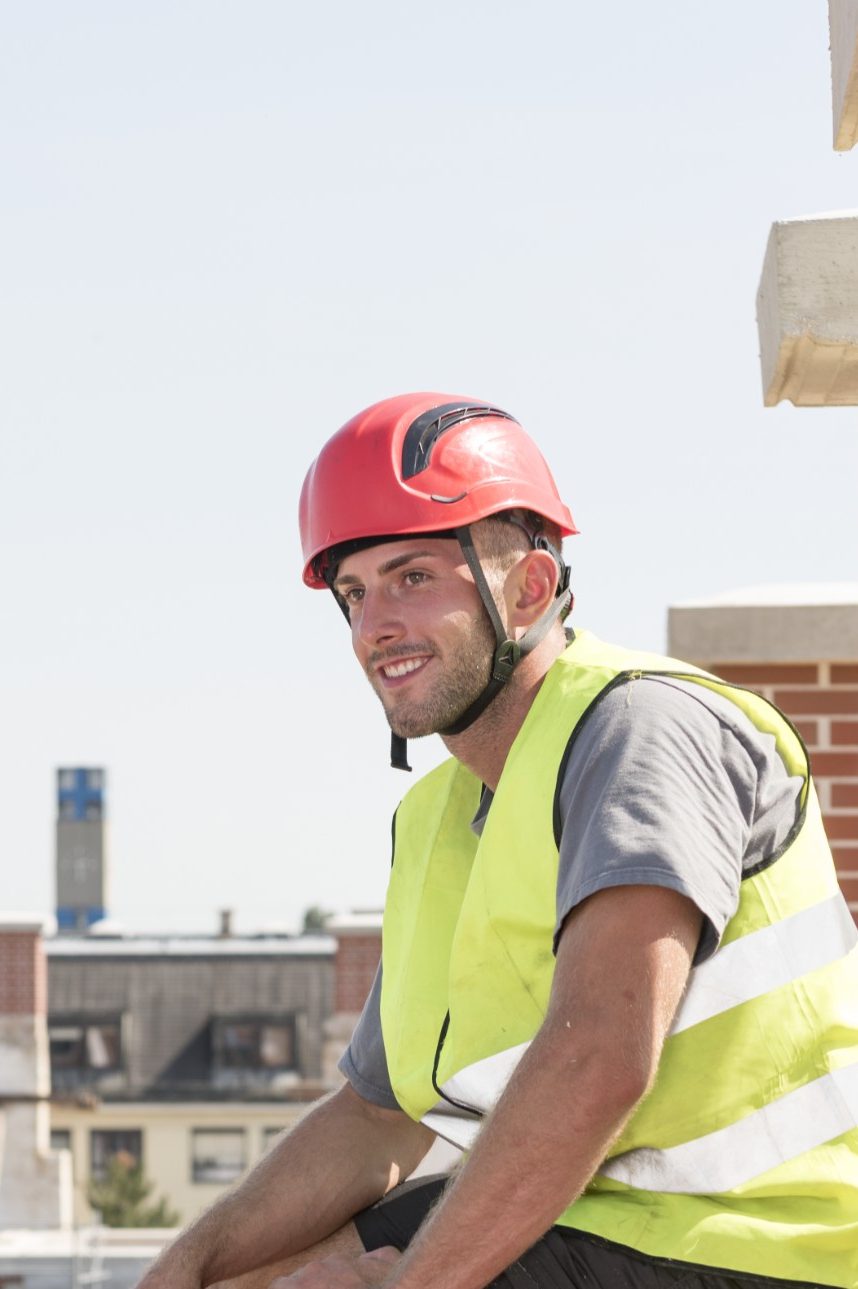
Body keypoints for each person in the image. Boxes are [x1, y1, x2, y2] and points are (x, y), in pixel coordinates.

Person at [139, 395, 858, 1289]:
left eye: (413, 577)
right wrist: (173, 1273)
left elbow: (596, 1057)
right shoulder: (434, 814)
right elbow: (376, 1117)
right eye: (355, 593)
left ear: (528, 589)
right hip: (600, 1221)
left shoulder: (642, 728)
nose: (374, 627)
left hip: (760, 1245)